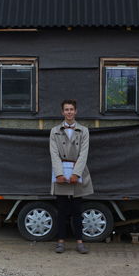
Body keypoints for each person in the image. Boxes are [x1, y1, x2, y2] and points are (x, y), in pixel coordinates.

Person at [50, 99, 93, 254]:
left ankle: (79, 242)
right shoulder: (54, 130)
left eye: (71, 109)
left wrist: (76, 173)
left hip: (77, 174)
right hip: (61, 173)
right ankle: (60, 241)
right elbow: (54, 154)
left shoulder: (84, 131)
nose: (69, 112)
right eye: (66, 109)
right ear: (62, 112)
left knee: (77, 210)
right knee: (61, 210)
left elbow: (84, 153)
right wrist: (59, 174)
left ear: (76, 111)